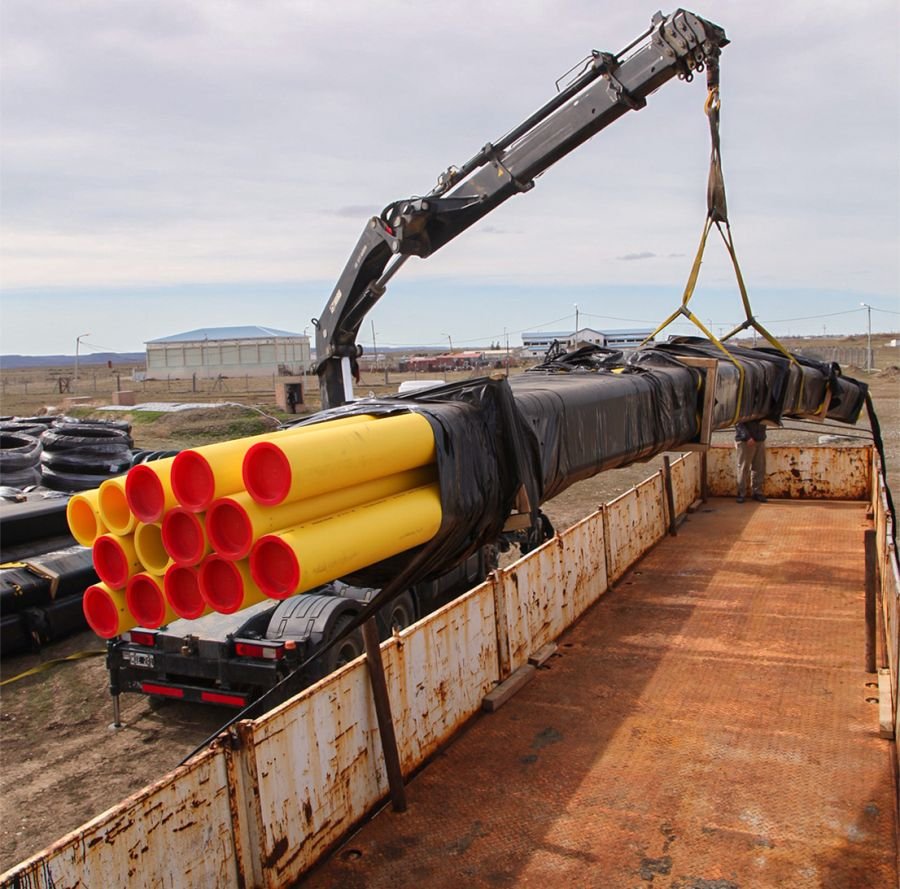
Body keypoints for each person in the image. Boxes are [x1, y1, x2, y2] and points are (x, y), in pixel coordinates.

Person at [734, 419, 768, 503]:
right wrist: (747, 437)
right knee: (743, 468)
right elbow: (738, 422)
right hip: (745, 441)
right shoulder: (744, 406)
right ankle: (741, 494)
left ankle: (757, 493)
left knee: (759, 467)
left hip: (760, 439)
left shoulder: (764, 407)